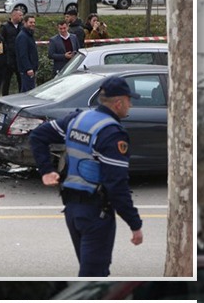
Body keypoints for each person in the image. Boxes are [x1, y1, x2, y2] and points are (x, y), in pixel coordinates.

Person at [31, 75, 143, 276]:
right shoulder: (112, 133)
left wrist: (46, 170)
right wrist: (135, 224)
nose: (131, 105)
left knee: (89, 271)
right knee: (93, 278)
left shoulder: (78, 119)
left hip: (73, 212)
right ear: (118, 103)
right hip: (96, 214)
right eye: (129, 100)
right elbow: (116, 185)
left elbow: (38, 135)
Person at [0, 9, 25, 95]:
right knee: (6, 80)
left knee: (21, 80)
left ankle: (21, 96)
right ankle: (4, 95)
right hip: (8, 58)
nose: (22, 17)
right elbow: (1, 41)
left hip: (19, 58)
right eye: (20, 15)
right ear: (14, 16)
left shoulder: (23, 27)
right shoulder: (5, 27)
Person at [15, 15, 40, 92]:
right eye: (30, 22)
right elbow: (23, 54)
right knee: (28, 91)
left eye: (34, 22)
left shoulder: (29, 35)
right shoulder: (23, 36)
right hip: (27, 71)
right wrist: (28, 68)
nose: (33, 24)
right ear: (25, 23)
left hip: (31, 69)